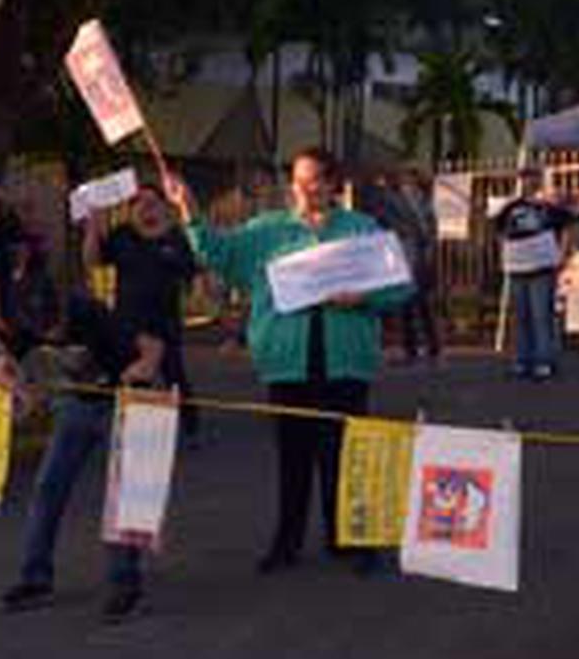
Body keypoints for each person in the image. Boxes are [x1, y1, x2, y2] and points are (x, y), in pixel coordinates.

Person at [171, 146, 410, 574]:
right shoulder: (267, 230)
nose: (302, 189)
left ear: (334, 184)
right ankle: (287, 542)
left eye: (313, 179)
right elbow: (217, 254)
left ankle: (352, 541)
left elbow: (399, 287)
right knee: (293, 455)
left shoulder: (362, 229)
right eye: (297, 180)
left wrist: (364, 298)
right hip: (287, 361)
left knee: (347, 453)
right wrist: (189, 212)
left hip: (346, 359)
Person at [0, 286, 169, 623]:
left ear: (64, 311)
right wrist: (15, 387)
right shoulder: (27, 320)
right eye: (43, 331)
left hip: (127, 401)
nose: (52, 335)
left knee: (124, 498)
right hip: (78, 404)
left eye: (56, 327)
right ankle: (36, 578)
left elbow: (154, 347)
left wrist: (142, 368)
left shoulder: (97, 315)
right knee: (49, 487)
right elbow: (6, 364)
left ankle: (125, 584)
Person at [83, 177, 198, 408]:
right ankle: (128, 430)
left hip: (164, 325)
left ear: (164, 207)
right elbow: (92, 260)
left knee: (174, 381)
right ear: (131, 208)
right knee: (128, 382)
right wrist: (93, 228)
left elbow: (193, 272)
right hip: (129, 325)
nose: (146, 207)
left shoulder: (174, 238)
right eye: (139, 202)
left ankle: (187, 425)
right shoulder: (123, 235)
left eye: (152, 202)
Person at [492, 169, 574, 381]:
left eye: (533, 178)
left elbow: (567, 226)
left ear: (539, 181)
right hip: (518, 268)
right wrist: (506, 255)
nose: (529, 182)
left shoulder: (547, 207)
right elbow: (499, 231)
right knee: (520, 316)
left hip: (542, 268)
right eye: (525, 178)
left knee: (541, 315)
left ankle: (544, 361)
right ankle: (522, 360)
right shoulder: (511, 207)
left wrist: (562, 255)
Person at [390, 168, 443, 364]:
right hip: (404, 255)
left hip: (420, 257)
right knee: (406, 306)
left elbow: (432, 228)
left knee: (423, 305)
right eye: (405, 181)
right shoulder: (396, 202)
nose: (407, 185)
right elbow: (392, 225)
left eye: (410, 181)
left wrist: (429, 248)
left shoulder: (424, 202)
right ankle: (410, 349)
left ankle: (432, 348)